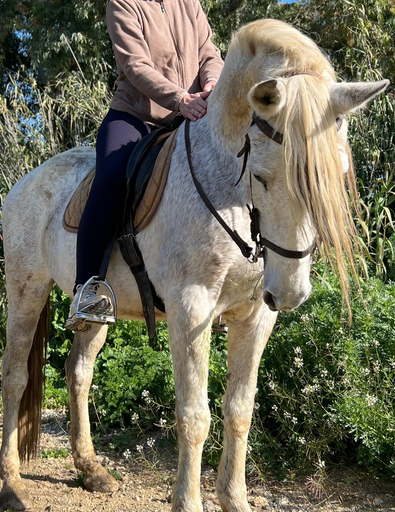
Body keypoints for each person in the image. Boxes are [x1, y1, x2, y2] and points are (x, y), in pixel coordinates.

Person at [66, 0, 224, 330]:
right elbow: (135, 66)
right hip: (137, 116)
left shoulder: (189, 3)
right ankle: (87, 288)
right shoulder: (122, 5)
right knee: (112, 176)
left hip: (194, 113)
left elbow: (209, 53)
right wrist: (180, 99)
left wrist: (212, 85)